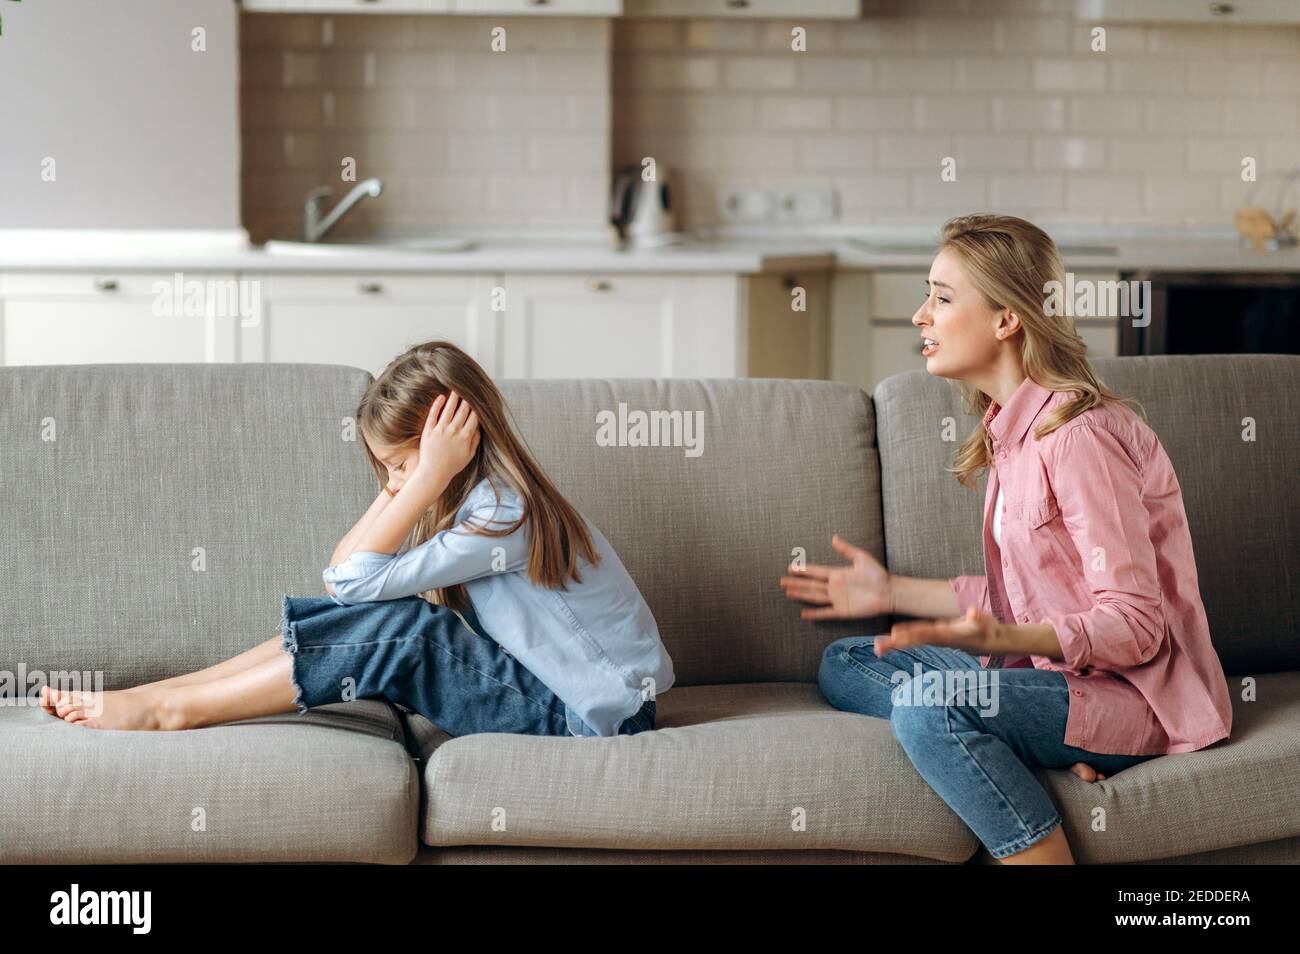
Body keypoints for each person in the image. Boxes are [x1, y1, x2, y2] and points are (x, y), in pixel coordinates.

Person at [781, 213, 1232, 864]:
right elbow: (1025, 595)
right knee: (847, 662)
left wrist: (1011, 641)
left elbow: (1137, 626)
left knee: (930, 708)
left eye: (941, 297)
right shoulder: (1014, 432)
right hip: (1050, 678)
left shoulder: (1078, 438)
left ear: (1006, 319)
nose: (920, 317)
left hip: (1131, 698)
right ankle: (1022, 745)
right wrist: (888, 590)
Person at [43, 340, 672, 739]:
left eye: (401, 466)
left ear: (456, 447)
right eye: (391, 472)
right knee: (386, 614)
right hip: (579, 702)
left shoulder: (501, 517)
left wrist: (424, 477)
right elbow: (342, 580)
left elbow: (348, 580)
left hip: (592, 720)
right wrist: (411, 477)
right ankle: (167, 692)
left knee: (408, 631)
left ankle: (173, 710)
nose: (397, 485)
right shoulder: (489, 504)